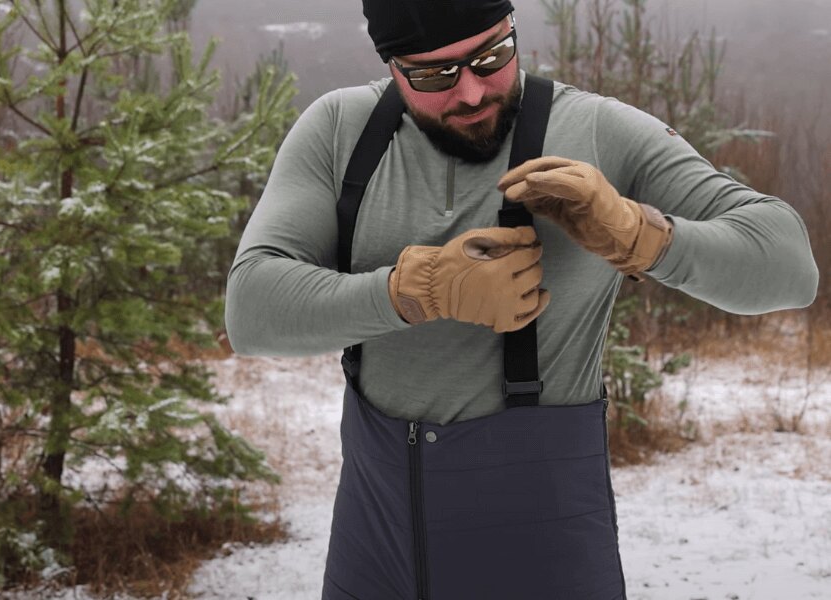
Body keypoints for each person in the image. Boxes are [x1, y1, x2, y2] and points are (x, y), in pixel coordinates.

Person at [224, 1, 819, 598]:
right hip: (373, 537)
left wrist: (640, 235)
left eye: (492, 56)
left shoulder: (596, 131)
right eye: (435, 76)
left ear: (513, 31)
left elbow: (790, 267)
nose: (472, 93)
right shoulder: (340, 131)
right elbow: (252, 310)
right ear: (391, 66)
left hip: (544, 539)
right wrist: (417, 290)